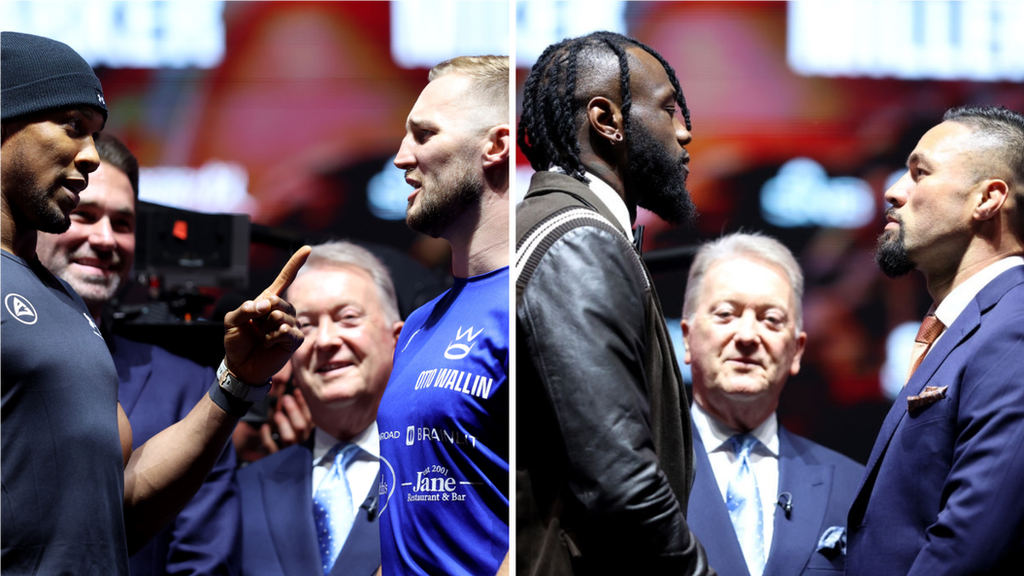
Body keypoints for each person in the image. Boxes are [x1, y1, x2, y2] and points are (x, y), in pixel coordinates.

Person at [0, 31, 306, 573]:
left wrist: (235, 382)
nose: (91, 156)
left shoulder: (66, 306)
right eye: (73, 127)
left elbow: (116, 516)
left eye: (95, 134)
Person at [516, 31, 712, 575]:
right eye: (669, 108)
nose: (685, 131)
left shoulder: (551, 227)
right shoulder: (579, 239)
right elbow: (618, 481)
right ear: (607, 120)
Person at [35, 133, 241, 575]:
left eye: (123, 224)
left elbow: (204, 563)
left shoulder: (191, 389)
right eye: (84, 215)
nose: (106, 239)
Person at [846, 105, 1024, 574]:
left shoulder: (1015, 325)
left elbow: (973, 537)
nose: (893, 190)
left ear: (987, 199)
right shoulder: (968, 325)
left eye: (918, 173)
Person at [376, 55, 510, 576]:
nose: (401, 157)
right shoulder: (417, 325)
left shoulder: (533, 302)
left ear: (495, 146)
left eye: (424, 134)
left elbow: (562, 504)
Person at [679, 232, 863, 576]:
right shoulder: (637, 473)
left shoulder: (854, 489)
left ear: (797, 350)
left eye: (771, 320)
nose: (748, 336)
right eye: (726, 314)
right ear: (687, 338)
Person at [238, 242, 402, 576]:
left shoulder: (441, 477)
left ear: (396, 338)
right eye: (307, 325)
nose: (325, 340)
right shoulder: (244, 488)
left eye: (348, 318)